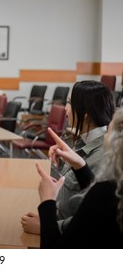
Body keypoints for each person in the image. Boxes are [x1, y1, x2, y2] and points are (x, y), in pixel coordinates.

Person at [21, 80, 115, 234]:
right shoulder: (84, 140)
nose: (65, 108)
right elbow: (76, 187)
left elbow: (95, 216)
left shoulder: (102, 158)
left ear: (85, 115)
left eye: (70, 103)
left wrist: (48, 227)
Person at [36, 108, 123, 248]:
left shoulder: (108, 192)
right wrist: (81, 166)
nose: (65, 108)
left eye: (108, 132)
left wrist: (47, 202)